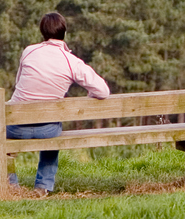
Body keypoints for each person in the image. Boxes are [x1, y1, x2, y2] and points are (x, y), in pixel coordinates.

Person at [6, 11, 110, 195]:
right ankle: (43, 186)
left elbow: (18, 83)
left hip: (15, 127)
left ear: (42, 32)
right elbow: (103, 91)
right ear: (64, 32)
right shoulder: (71, 62)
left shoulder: (29, 51)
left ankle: (10, 186)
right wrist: (88, 95)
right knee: (54, 129)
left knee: (0, 133)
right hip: (46, 130)